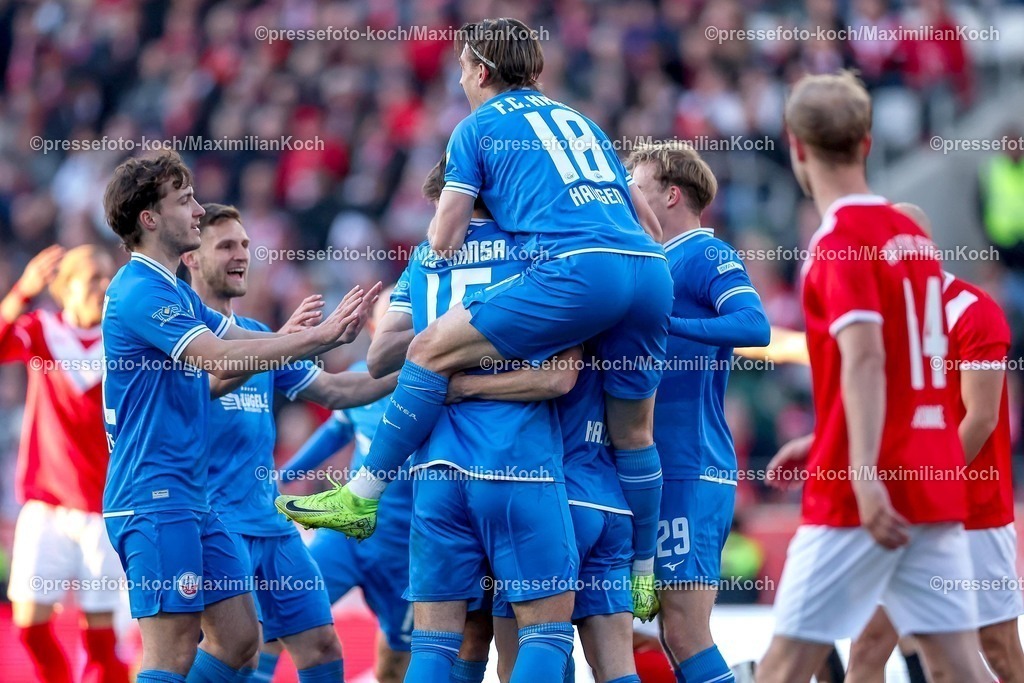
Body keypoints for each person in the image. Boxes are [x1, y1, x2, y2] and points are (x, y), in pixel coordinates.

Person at [279, 17, 672, 619]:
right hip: (648, 272)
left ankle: (361, 496)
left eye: (462, 67)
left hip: (575, 274)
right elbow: (649, 225)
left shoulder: (476, 128)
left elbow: (444, 235)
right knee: (634, 432)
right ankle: (645, 569)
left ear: (481, 70)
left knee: (430, 349)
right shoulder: (583, 122)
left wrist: (440, 259)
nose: (460, 78)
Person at [280, 158, 581, 682]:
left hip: (435, 475)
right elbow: (560, 377)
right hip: (517, 464)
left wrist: (442, 352)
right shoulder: (539, 251)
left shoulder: (425, 260)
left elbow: (377, 359)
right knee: (545, 635)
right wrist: (478, 352)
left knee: (438, 645)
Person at [100, 151, 376, 683]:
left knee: (240, 641)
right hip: (152, 495)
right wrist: (313, 338)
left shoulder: (176, 292)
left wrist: (299, 340)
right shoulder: (137, 290)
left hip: (193, 497)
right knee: (173, 649)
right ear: (150, 220)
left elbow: (240, 339)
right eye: (185, 201)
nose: (198, 210)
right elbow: (220, 360)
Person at [756, 72, 989, 683]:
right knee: (958, 666)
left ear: (796, 146)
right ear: (865, 143)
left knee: (783, 666)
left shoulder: (838, 241)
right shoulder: (911, 234)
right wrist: (825, 436)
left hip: (865, 489)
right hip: (929, 474)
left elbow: (864, 358)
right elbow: (907, 365)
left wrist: (857, 469)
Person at [182, 203, 396, 683]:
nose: (241, 255)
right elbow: (212, 378)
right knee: (236, 651)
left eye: (245, 245)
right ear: (191, 257)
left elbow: (338, 391)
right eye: (226, 246)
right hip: (215, 522)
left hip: (271, 522)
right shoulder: (180, 331)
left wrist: (419, 372)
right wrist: (289, 343)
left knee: (321, 647)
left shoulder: (260, 335)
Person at [846, 203, 1024, 683]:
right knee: (868, 646)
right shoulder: (879, 321)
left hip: (973, 511)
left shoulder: (973, 310)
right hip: (905, 509)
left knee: (998, 651)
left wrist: (929, 485)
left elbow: (982, 418)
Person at [629, 142, 770, 683]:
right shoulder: (650, 261)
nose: (627, 198)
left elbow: (753, 325)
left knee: (685, 628)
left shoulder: (704, 254)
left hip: (690, 463)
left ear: (670, 194)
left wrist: (672, 327)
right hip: (649, 464)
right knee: (648, 629)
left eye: (637, 186)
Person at [1, 244, 130, 683]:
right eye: (93, 277)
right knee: (30, 629)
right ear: (65, 288)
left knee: (100, 642)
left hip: (104, 511)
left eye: (108, 276)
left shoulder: (124, 339)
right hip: (47, 506)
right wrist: (20, 293)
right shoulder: (43, 330)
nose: (104, 286)